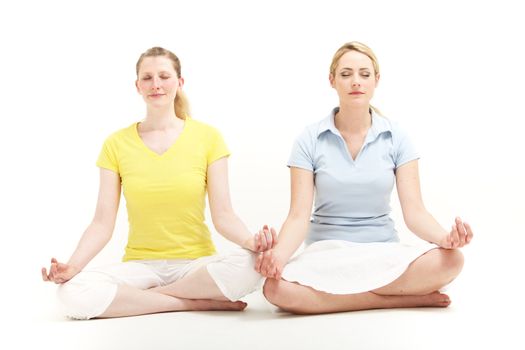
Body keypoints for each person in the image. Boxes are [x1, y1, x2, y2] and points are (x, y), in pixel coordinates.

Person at [41, 47, 276, 319]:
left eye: (164, 76)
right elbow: (102, 223)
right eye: (147, 78)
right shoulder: (116, 144)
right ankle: (192, 303)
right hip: (141, 267)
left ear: (180, 82)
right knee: (72, 292)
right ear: (137, 86)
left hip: (195, 266)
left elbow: (223, 215)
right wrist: (73, 267)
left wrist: (250, 242)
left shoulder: (208, 138)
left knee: (250, 263)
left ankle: (145, 301)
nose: (156, 85)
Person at [255, 41, 473, 314]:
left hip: (382, 253)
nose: (355, 82)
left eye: (364, 74)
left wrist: (445, 238)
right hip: (327, 255)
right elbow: (298, 216)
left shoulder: (397, 137)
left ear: (376, 80)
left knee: (453, 261)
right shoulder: (309, 139)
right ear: (332, 80)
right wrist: (279, 256)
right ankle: (400, 299)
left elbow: (415, 212)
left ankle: (341, 300)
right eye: (346, 74)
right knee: (275, 289)